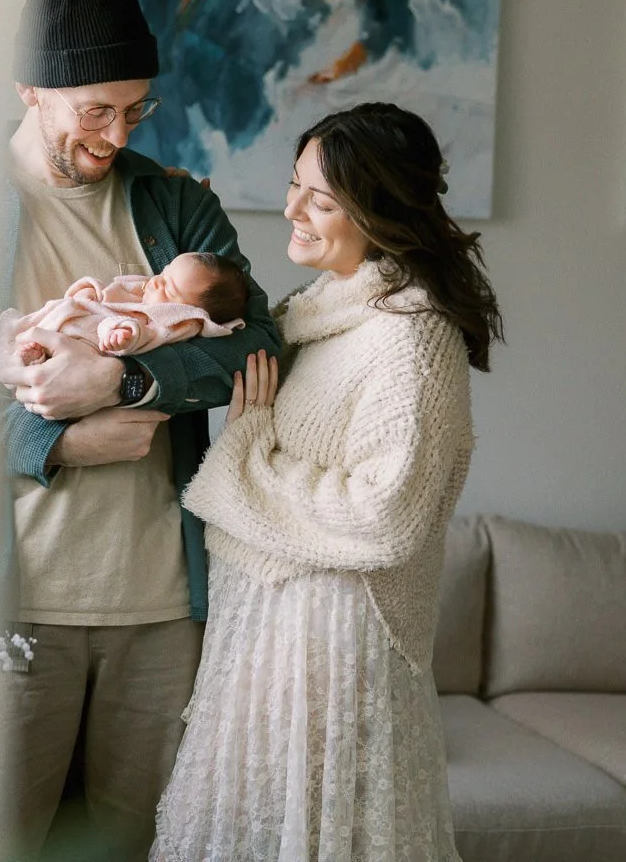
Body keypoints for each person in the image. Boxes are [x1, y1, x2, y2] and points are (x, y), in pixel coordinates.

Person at [151, 102, 502, 862]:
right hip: (268, 631)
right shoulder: (312, 315)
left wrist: (246, 453)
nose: (292, 210)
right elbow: (195, 326)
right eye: (294, 185)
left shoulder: (412, 336)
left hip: (334, 647)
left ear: (378, 210)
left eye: (321, 199)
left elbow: (386, 516)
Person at [0, 0, 281, 860]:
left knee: (133, 848)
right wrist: (52, 441)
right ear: (31, 90)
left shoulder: (175, 205)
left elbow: (257, 342)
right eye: (96, 110)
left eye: (135, 108)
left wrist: (125, 382)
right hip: (13, 602)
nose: (116, 134)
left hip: (160, 606)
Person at [0, 251, 248, 364]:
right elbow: (114, 292)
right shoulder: (146, 292)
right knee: (52, 315)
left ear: (185, 313)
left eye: (169, 288)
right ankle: (24, 341)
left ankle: (37, 356)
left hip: (92, 342)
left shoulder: (175, 325)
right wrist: (94, 291)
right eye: (163, 273)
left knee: (68, 339)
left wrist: (123, 334)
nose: (156, 281)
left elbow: (146, 336)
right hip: (83, 318)